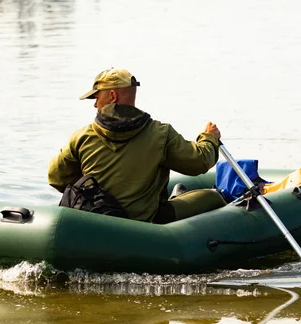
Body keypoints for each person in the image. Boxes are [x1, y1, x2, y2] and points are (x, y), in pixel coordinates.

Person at [48, 67, 226, 223]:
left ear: (112, 96)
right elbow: (199, 162)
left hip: (95, 221)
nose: (95, 104)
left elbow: (56, 178)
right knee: (214, 197)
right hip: (145, 227)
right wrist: (209, 138)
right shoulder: (160, 134)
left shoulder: (81, 137)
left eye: (96, 97)